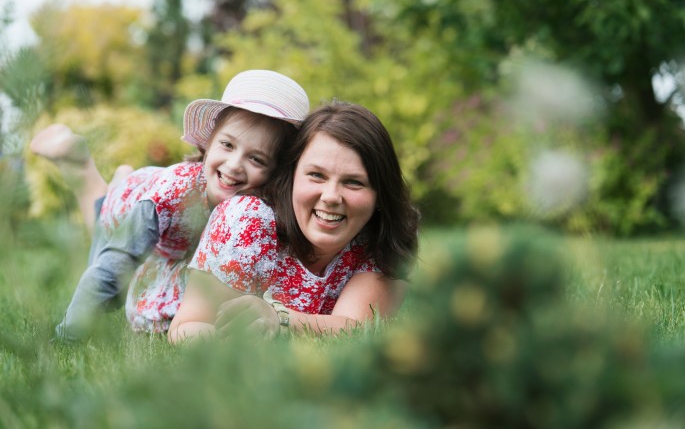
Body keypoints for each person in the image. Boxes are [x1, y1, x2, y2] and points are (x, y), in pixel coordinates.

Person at [30, 70, 310, 341]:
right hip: (133, 207)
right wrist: (68, 335)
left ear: (276, 171)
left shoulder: (258, 209)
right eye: (227, 145)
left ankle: (114, 179)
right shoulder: (174, 192)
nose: (234, 165)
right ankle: (87, 172)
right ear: (209, 143)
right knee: (109, 252)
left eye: (257, 159)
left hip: (175, 241)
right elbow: (112, 265)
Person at [168, 101, 419, 342]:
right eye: (316, 175)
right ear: (291, 175)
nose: (331, 197)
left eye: (354, 182)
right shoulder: (247, 221)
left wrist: (279, 319)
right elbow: (187, 326)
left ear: (379, 195)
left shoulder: (386, 235)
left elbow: (355, 326)